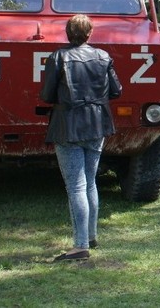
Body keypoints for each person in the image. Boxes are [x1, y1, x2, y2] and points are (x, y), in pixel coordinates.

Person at [40, 14, 121, 262]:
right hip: (97, 124)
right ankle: (91, 236)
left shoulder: (58, 56)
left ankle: (80, 245)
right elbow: (117, 90)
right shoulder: (103, 56)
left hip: (68, 125)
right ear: (90, 33)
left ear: (67, 33)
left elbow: (46, 95)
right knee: (90, 182)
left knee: (76, 186)